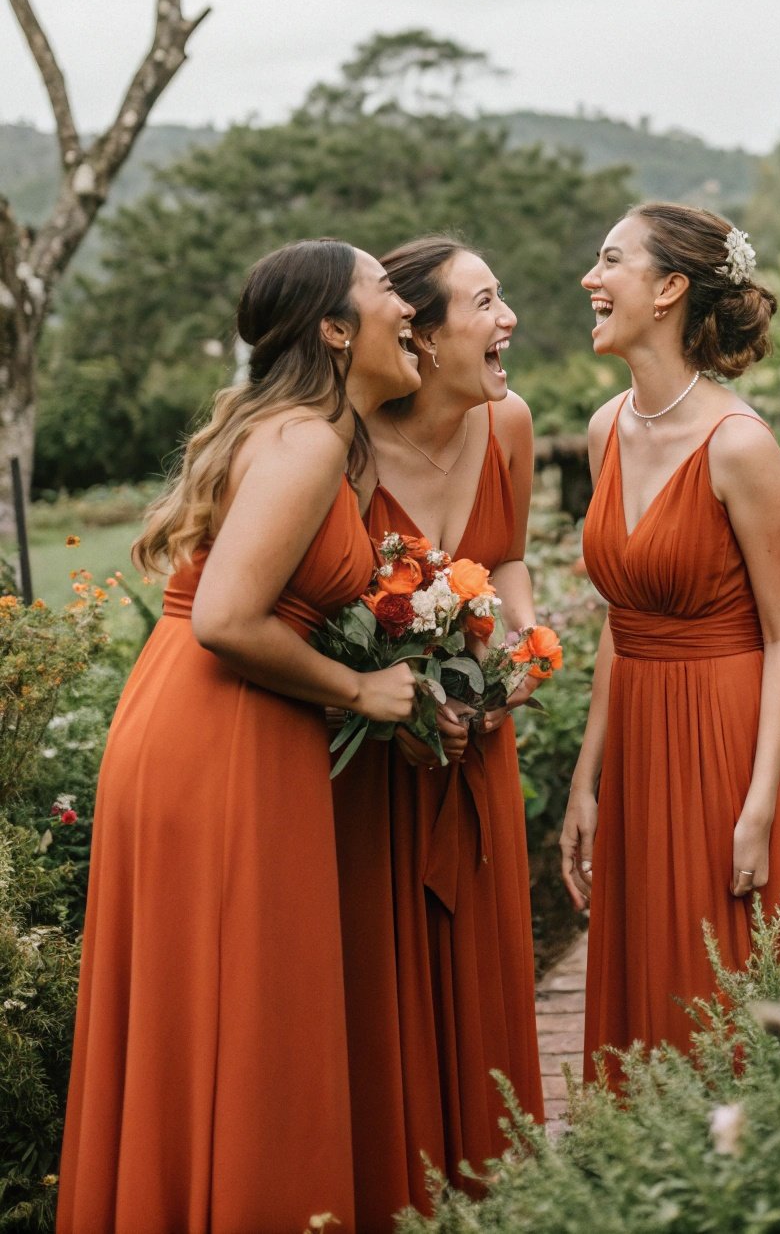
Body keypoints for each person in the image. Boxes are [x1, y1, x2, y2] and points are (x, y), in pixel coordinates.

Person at [57, 239, 418, 1234]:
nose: (407, 303)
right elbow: (227, 615)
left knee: (217, 1008)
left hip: (199, 713)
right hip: (221, 726)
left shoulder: (307, 432)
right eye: (388, 290)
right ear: (337, 329)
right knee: (244, 1010)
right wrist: (358, 686)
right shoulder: (303, 441)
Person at [559, 204, 780, 1077]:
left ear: (670, 289)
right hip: (641, 738)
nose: (590, 280)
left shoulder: (739, 446)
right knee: (652, 979)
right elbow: (622, 618)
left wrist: (759, 804)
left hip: (727, 742)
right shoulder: (607, 431)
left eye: (611, 261)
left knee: (725, 982)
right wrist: (586, 779)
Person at [335, 235, 545, 1230]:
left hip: (479, 744)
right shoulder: (352, 442)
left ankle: (496, 1192)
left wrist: (521, 657)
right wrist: (404, 690)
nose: (507, 321)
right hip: (378, 759)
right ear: (418, 331)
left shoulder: (509, 425)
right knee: (392, 989)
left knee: (484, 970)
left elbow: (503, 566)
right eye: (486, 302)